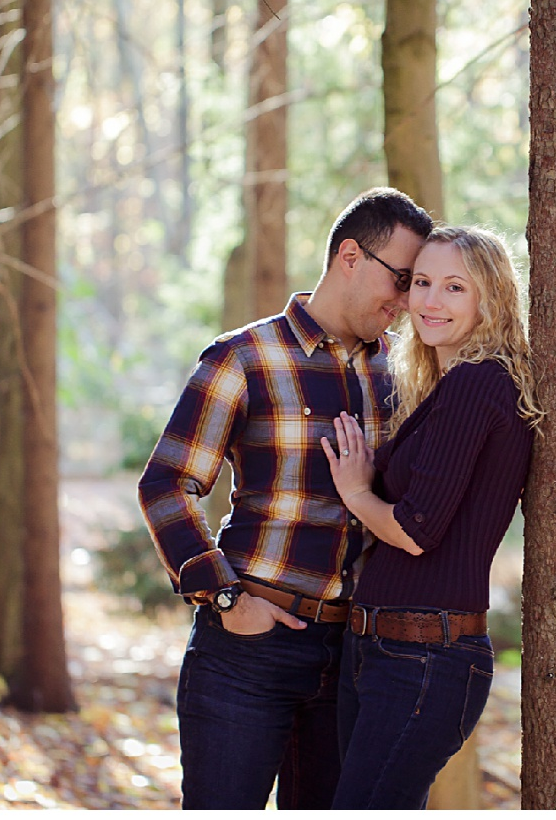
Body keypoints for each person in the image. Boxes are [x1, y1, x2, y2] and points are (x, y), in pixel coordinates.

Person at [138, 187, 433, 809]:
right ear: (351, 256)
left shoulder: (402, 374)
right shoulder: (243, 358)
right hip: (247, 652)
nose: (407, 303)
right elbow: (168, 484)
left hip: (355, 659)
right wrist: (225, 597)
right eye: (402, 280)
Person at [320, 225, 541, 809]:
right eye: (421, 282)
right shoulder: (450, 387)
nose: (430, 301)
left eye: (454, 288)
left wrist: (356, 490)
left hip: (421, 659)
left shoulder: (477, 385)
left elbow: (416, 531)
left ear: (490, 298)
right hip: (384, 649)